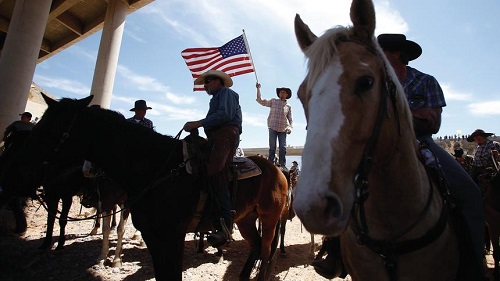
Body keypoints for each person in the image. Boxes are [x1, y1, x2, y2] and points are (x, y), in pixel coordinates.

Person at [313, 33, 486, 279]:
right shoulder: (368, 83)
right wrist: (408, 114)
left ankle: (472, 263)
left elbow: (432, 123)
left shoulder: (425, 81)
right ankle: (335, 252)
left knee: (469, 192)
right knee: (340, 188)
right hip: (375, 147)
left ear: (397, 54)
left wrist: (387, 116)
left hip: (421, 145)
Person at [183, 70, 242, 247]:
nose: (205, 85)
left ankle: (225, 224)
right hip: (216, 136)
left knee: (216, 171)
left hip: (226, 134)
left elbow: (225, 115)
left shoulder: (227, 93)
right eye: (204, 83)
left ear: (218, 81)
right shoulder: (214, 99)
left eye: (207, 82)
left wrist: (198, 123)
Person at [256, 83, 293, 166]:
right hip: (272, 127)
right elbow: (260, 101)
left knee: (283, 148)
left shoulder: (288, 106)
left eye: (283, 92)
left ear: (287, 95)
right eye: (280, 92)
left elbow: (290, 119)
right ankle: (270, 165)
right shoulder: (273, 101)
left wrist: (290, 128)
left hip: (283, 129)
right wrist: (258, 89)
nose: (281, 93)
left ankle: (282, 166)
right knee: (272, 148)